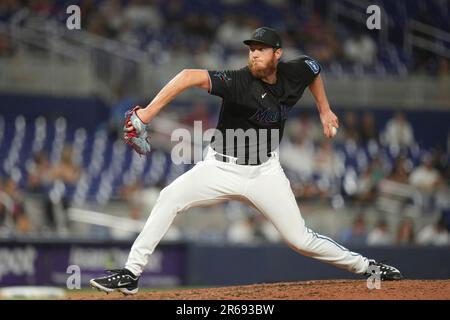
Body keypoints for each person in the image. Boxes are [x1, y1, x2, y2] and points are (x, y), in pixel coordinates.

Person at [90, 27, 402, 295]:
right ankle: (131, 274)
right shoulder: (237, 81)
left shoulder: (296, 71)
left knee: (300, 239)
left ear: (277, 54)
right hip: (220, 167)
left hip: (265, 172)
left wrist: (323, 109)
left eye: (261, 50)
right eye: (251, 49)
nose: (253, 55)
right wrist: (146, 113)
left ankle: (368, 267)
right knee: (168, 197)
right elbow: (186, 76)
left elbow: (315, 70)